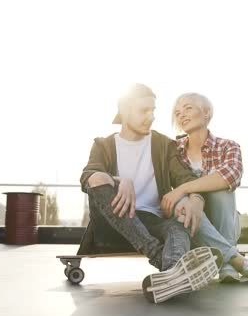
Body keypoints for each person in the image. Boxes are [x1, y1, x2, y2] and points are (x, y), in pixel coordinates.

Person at [76, 84, 222, 303]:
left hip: (153, 223)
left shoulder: (163, 145)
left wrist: (196, 201)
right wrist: (119, 180)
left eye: (153, 110)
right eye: (144, 111)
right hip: (113, 227)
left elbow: (185, 178)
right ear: (125, 112)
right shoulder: (103, 145)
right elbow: (89, 177)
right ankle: (159, 258)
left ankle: (171, 274)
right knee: (99, 182)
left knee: (179, 221)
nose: (151, 116)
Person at [161, 92, 248, 283]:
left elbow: (230, 176)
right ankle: (234, 262)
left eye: (188, 108)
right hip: (192, 226)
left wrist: (183, 188)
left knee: (220, 190)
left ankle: (226, 261)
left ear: (206, 112)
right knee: (182, 203)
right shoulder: (173, 149)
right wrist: (186, 195)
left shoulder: (228, 146)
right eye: (177, 112)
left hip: (224, 221)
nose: (181, 114)